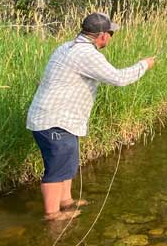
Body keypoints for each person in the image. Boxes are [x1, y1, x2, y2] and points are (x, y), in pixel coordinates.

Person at [26, 12, 154, 221]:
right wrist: (143, 65)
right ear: (103, 36)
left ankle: (65, 201)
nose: (112, 37)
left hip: (61, 120)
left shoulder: (67, 46)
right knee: (56, 168)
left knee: (67, 162)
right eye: (111, 33)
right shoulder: (86, 54)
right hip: (53, 121)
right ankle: (52, 215)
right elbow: (119, 78)